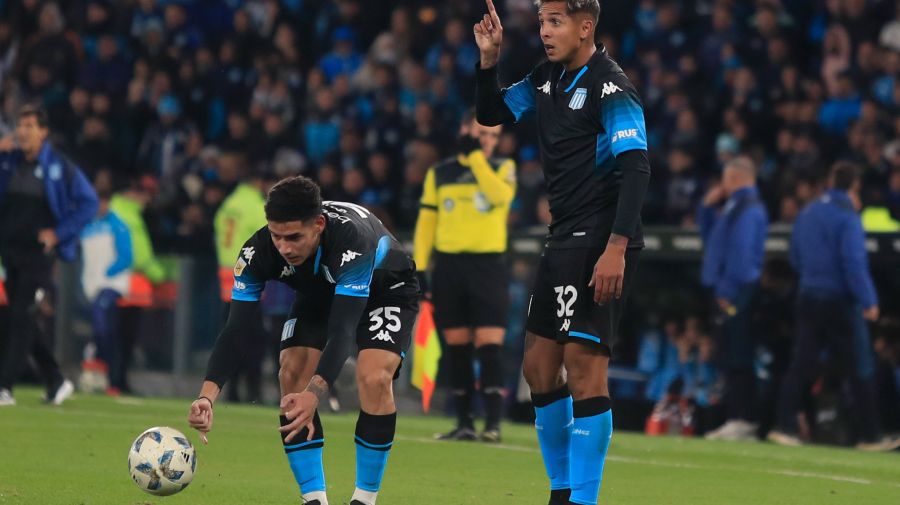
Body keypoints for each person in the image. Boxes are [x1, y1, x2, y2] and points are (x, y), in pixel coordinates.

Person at [474, 1, 651, 504]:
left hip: (601, 239)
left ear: (585, 27)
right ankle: (562, 490)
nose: (545, 32)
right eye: (543, 22)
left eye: (555, 23)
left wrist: (617, 247)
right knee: (537, 367)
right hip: (563, 237)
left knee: (583, 364)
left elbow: (637, 168)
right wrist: (489, 61)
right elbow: (491, 113)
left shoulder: (610, 86)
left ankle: (581, 500)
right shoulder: (545, 77)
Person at [187, 176, 419, 505]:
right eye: (277, 236)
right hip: (320, 293)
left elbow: (342, 329)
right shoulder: (257, 252)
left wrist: (316, 392)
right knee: (291, 373)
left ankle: (364, 500)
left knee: (374, 376)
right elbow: (236, 328)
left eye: (294, 237)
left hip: (387, 290)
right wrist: (207, 397)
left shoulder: (351, 240)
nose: (284, 248)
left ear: (319, 224)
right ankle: (314, 499)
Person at [768, 162, 900, 451]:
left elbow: (795, 257)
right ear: (854, 188)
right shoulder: (848, 217)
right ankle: (871, 435)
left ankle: (783, 426)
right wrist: (869, 300)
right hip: (840, 300)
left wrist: (812, 278)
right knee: (860, 366)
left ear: (831, 181)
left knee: (801, 363)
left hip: (808, 296)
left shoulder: (808, 211)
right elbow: (854, 264)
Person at [414, 111, 516, 442]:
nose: (488, 141)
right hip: (449, 267)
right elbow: (427, 224)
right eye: (481, 134)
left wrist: (475, 157)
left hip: (488, 266)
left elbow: (500, 197)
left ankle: (493, 425)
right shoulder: (440, 173)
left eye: (493, 136)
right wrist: (419, 267)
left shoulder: (503, 169)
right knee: (456, 346)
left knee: (490, 345)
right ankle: (464, 423)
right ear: (464, 131)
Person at [0, 103, 98, 406]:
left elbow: (89, 203)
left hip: (38, 257)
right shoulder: (9, 162)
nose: (24, 131)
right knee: (19, 319)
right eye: (21, 125)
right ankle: (56, 380)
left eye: (31, 126)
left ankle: (4, 388)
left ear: (44, 132)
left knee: (20, 316)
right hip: (9, 253)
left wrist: (59, 233)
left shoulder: (59, 167)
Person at [696, 156, 768, 441]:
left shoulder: (748, 209)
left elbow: (740, 254)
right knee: (729, 353)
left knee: (738, 353)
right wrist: (705, 206)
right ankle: (737, 418)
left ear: (734, 179)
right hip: (730, 288)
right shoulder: (734, 207)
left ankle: (742, 420)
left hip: (736, 290)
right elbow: (709, 236)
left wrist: (726, 292)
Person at [213, 161, 269, 403]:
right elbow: (269, 239)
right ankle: (252, 390)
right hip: (250, 277)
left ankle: (232, 388)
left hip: (227, 275)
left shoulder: (228, 204)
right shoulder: (256, 206)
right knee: (254, 339)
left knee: (232, 332)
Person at [80, 189, 133, 395]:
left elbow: (126, 257)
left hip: (111, 285)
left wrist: (105, 274)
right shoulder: (88, 226)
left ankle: (110, 376)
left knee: (103, 328)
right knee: (106, 332)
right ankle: (108, 379)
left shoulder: (118, 226)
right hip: (93, 286)